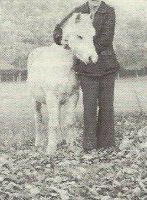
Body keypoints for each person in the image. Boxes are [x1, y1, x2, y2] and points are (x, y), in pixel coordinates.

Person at [53, 0, 120, 151]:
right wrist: (61, 39)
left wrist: (85, 48)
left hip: (106, 65)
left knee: (106, 106)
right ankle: (89, 146)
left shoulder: (109, 11)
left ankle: (107, 145)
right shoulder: (78, 10)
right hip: (86, 67)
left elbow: (106, 38)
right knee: (89, 107)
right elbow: (58, 29)